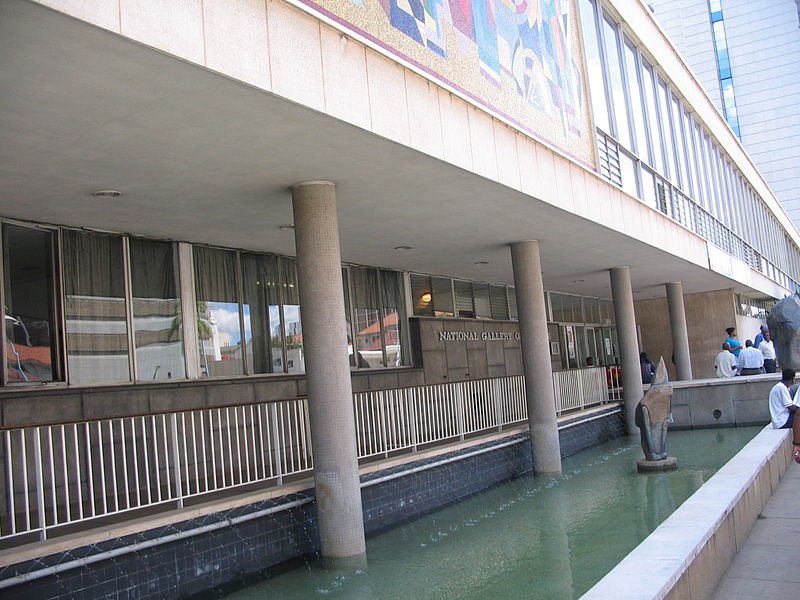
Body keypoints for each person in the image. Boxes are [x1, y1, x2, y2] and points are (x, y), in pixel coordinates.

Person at [769, 369, 800, 463]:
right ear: (792, 379)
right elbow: (792, 408)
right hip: (782, 420)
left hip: (781, 418)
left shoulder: (780, 387)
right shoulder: (782, 388)